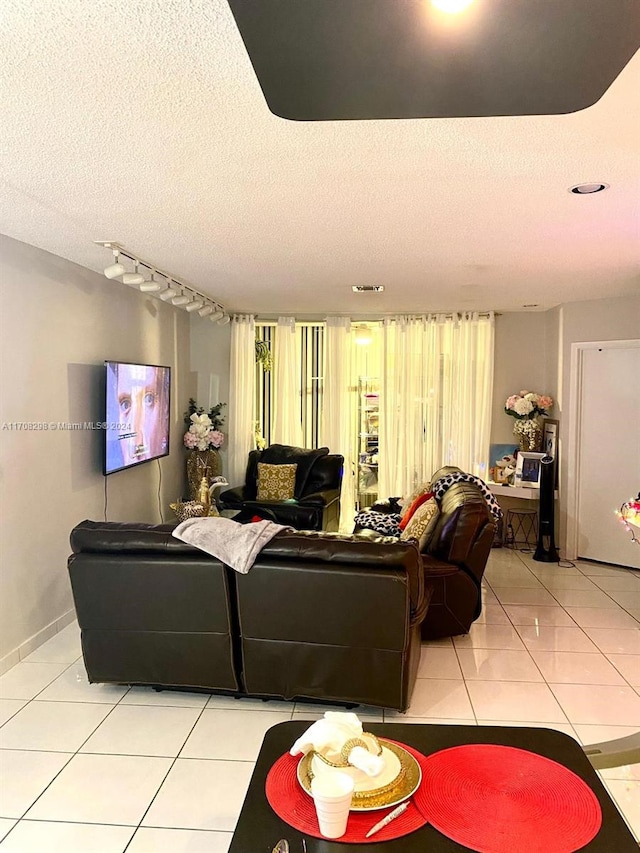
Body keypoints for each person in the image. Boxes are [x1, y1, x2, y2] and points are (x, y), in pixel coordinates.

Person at [107, 363, 170, 470]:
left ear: (166, 410)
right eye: (125, 404)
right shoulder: (111, 458)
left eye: (148, 399)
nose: (136, 442)